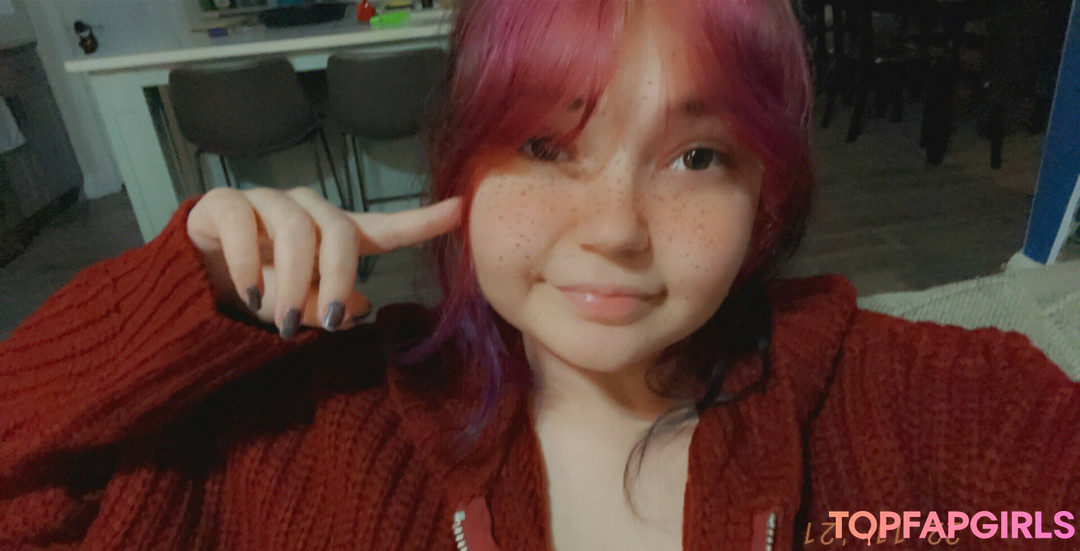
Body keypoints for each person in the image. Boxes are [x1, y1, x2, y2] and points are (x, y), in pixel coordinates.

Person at [2, 1, 1078, 550]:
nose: (614, 228)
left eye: (697, 157)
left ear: (767, 197)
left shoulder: (928, 405)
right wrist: (172, 297)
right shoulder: (294, 439)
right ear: (462, 161)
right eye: (547, 147)